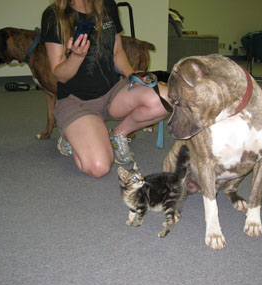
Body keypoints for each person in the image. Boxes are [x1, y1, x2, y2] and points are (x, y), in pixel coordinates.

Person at [40, 0, 170, 178]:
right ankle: (71, 138)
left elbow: (117, 51)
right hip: (76, 102)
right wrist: (77, 57)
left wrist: (132, 76)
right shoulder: (54, 16)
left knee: (164, 98)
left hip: (112, 92)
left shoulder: (107, 5)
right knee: (99, 167)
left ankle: (117, 135)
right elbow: (59, 74)